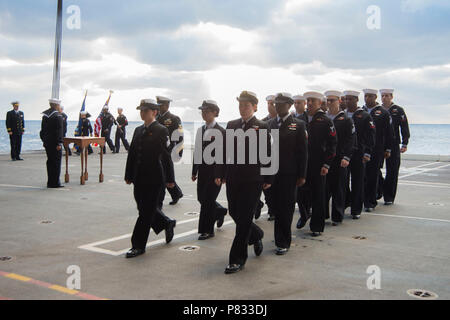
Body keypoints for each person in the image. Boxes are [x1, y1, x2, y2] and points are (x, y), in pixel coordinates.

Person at [216, 91, 273, 274]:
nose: (242, 108)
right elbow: (224, 152)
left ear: (255, 107)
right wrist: (220, 173)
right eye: (240, 105)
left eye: (246, 105)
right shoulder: (232, 125)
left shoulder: (262, 126)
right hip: (233, 177)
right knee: (234, 212)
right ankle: (256, 235)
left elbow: (268, 153)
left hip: (253, 179)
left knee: (244, 219)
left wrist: (268, 178)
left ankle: (237, 259)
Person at [124, 99, 177, 259]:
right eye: (141, 110)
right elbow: (132, 153)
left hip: (155, 178)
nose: (142, 113)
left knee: (145, 213)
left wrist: (170, 179)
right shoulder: (138, 130)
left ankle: (138, 245)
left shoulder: (161, 130)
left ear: (154, 112)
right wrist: (128, 174)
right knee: (142, 208)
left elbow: (166, 156)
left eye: (146, 111)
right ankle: (166, 223)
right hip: (139, 177)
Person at [268, 93, 308, 255]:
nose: (278, 106)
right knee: (275, 206)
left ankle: (283, 241)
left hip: (289, 174)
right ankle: (279, 236)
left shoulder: (298, 125)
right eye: (276, 104)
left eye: (281, 104)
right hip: (272, 173)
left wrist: (302, 175)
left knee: (286, 207)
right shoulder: (269, 123)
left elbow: (303, 152)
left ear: (289, 105)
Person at [299, 92, 337, 237]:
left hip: (318, 164)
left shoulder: (326, 121)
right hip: (303, 164)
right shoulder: (300, 118)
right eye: (308, 100)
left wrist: (327, 164)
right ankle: (304, 215)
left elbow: (333, 144)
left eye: (312, 101)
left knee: (318, 196)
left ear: (320, 103)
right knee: (300, 193)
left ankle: (316, 226)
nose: (309, 103)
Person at [192, 100, 228, 240]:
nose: (204, 114)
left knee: (207, 200)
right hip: (203, 171)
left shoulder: (221, 131)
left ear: (215, 112)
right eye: (202, 111)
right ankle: (219, 211)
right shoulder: (201, 130)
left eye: (207, 111)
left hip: (215, 173)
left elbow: (223, 155)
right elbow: (197, 151)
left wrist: (222, 174)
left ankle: (207, 230)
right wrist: (194, 170)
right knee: (202, 198)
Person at [324, 91, 356, 226]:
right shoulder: (323, 118)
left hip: (339, 159)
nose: (330, 103)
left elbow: (352, 139)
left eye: (333, 100)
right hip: (325, 159)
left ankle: (337, 216)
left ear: (339, 101)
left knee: (339, 188)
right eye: (328, 101)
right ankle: (323, 214)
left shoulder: (346, 119)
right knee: (324, 189)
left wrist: (347, 157)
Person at [344, 90, 376, 219]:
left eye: (350, 99)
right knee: (343, 182)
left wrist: (368, 152)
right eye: (346, 99)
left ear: (356, 100)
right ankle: (345, 203)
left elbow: (371, 135)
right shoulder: (343, 115)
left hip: (359, 153)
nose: (347, 101)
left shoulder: (365, 115)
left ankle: (356, 209)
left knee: (357, 181)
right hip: (345, 153)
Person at [363, 89, 394, 212]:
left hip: (377, 149)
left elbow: (389, 132)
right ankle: (366, 197)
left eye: (370, 96)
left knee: (372, 174)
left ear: (375, 97)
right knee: (364, 176)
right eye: (365, 96)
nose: (367, 98)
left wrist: (388, 148)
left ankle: (370, 202)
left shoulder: (383, 113)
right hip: (362, 148)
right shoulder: (361, 111)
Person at [380, 89, 410, 205]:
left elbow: (404, 127)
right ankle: (380, 188)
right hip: (379, 144)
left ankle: (389, 197)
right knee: (373, 170)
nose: (384, 98)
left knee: (392, 171)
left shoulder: (398, 110)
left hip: (393, 144)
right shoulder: (378, 110)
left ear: (391, 97)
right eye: (382, 96)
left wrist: (405, 143)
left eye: (386, 96)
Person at [156, 96, 184, 206]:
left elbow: (180, 135)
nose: (159, 108)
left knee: (166, 174)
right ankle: (176, 193)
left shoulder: (174, 118)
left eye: (161, 105)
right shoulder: (156, 117)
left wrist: (179, 151)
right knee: (164, 174)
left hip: (168, 150)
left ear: (167, 106)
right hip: (157, 150)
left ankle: (162, 200)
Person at [293, 95, 310, 227]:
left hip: (308, 157)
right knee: (298, 192)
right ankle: (304, 214)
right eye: (295, 103)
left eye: (299, 103)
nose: (297, 105)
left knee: (306, 190)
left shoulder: (307, 118)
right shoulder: (291, 118)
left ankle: (306, 213)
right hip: (295, 159)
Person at [40, 99, 64, 188]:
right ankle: (55, 182)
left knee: (50, 162)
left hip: (47, 143)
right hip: (55, 144)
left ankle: (50, 182)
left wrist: (44, 140)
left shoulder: (45, 116)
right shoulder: (58, 116)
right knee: (56, 163)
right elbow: (59, 131)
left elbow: (42, 131)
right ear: (57, 105)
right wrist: (59, 143)